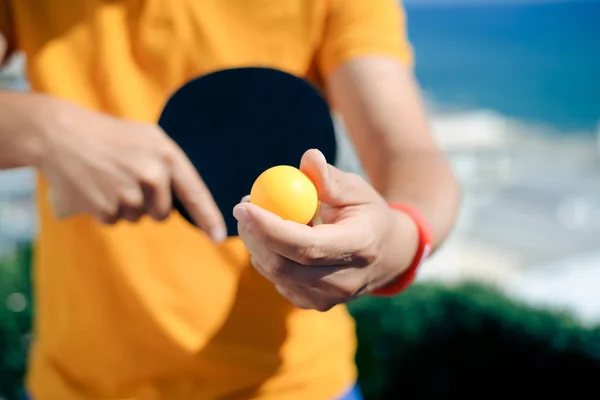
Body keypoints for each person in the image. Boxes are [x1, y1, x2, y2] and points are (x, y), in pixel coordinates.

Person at [0, 0, 460, 399]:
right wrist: (45, 128)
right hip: (76, 388)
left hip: (290, 388)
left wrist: (396, 242)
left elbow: (410, 153)